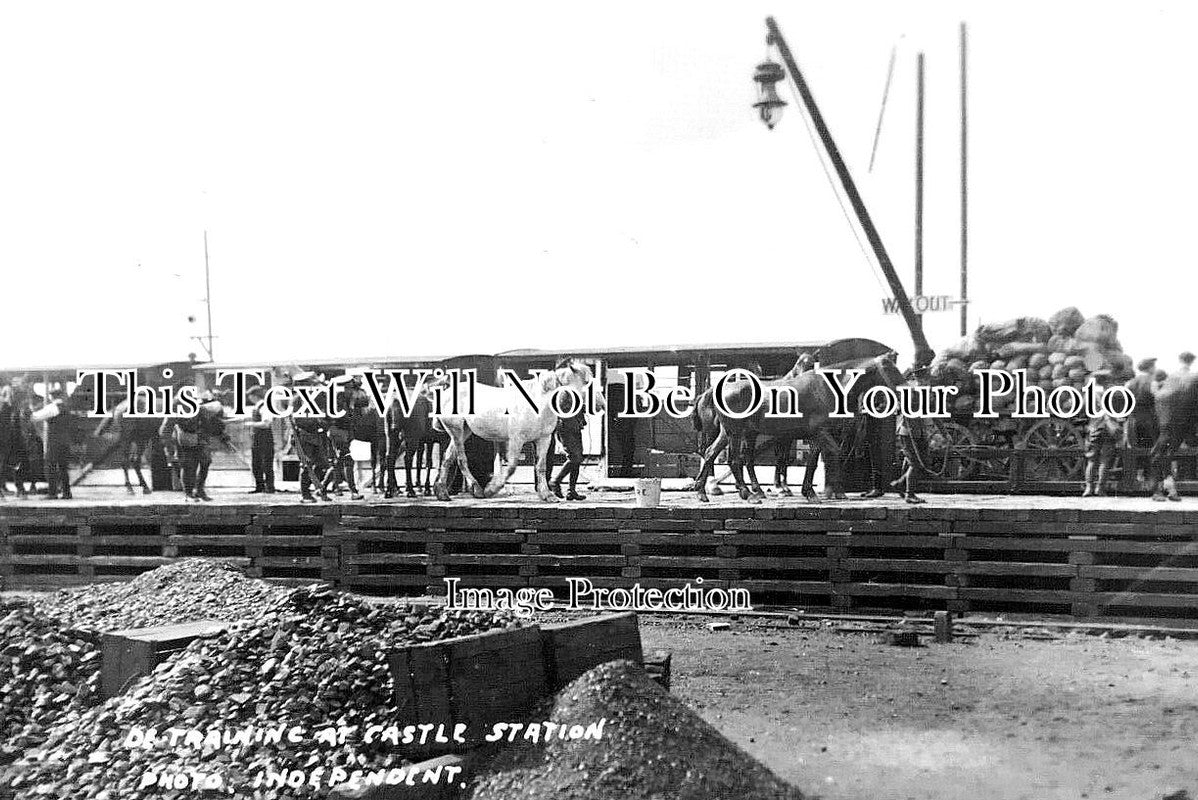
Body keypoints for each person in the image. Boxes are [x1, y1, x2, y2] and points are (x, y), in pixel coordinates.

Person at [289, 372, 332, 503]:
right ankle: (305, 494)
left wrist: (323, 423)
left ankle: (319, 489)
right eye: (312, 384)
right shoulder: (297, 400)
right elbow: (298, 420)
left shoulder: (316, 398)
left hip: (316, 435)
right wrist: (317, 421)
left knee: (323, 464)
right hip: (303, 436)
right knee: (306, 465)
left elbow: (324, 416)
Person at [1082, 370, 1123, 497]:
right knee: (1105, 460)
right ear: (1105, 381)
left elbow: (1083, 410)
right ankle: (1100, 488)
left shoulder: (1088, 394)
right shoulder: (1109, 393)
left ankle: (1088, 488)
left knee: (1091, 460)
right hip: (1108, 429)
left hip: (1094, 428)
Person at [30, 387, 76, 499]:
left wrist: (31, 409)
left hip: (54, 441)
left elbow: (35, 417)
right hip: (65, 441)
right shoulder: (66, 407)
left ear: (52, 396)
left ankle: (52, 493)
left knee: (50, 466)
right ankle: (67, 492)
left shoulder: (52, 407)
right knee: (63, 468)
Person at [546, 387, 588, 501]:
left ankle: (571, 491)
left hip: (575, 426)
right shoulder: (564, 392)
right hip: (567, 428)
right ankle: (555, 481)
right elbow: (560, 409)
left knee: (578, 458)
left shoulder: (574, 390)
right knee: (574, 457)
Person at [1124, 358, 1158, 486]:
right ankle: (1149, 479)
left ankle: (1136, 478)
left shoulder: (1129, 383)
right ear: (1150, 368)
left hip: (1133, 420)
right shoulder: (1153, 382)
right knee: (1151, 447)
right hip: (1149, 419)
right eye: (1154, 366)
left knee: (1135, 447)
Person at [244, 385, 276, 494]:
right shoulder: (257, 407)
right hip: (257, 438)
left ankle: (269, 487)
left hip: (265, 438)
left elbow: (266, 424)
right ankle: (260, 486)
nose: (249, 398)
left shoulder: (265, 407)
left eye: (250, 396)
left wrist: (251, 424)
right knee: (256, 463)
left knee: (266, 463)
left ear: (254, 396)